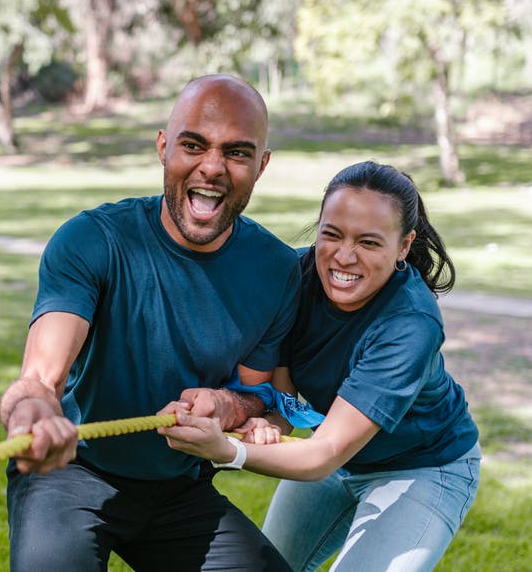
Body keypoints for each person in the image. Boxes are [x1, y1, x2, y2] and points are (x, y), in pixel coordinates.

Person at [0, 74, 300, 571]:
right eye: (193, 145)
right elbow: (39, 377)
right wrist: (33, 409)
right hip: (70, 472)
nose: (212, 167)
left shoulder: (277, 270)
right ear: (163, 147)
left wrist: (228, 405)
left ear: (261, 165)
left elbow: (264, 400)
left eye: (237, 153)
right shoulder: (92, 240)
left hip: (179, 489)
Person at [159, 161, 481, 572]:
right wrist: (267, 424)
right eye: (331, 234)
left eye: (368, 242)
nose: (343, 257)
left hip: (423, 466)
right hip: (336, 452)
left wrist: (227, 451)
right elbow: (286, 402)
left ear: (404, 245)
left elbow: (323, 454)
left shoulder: (411, 324)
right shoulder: (296, 279)